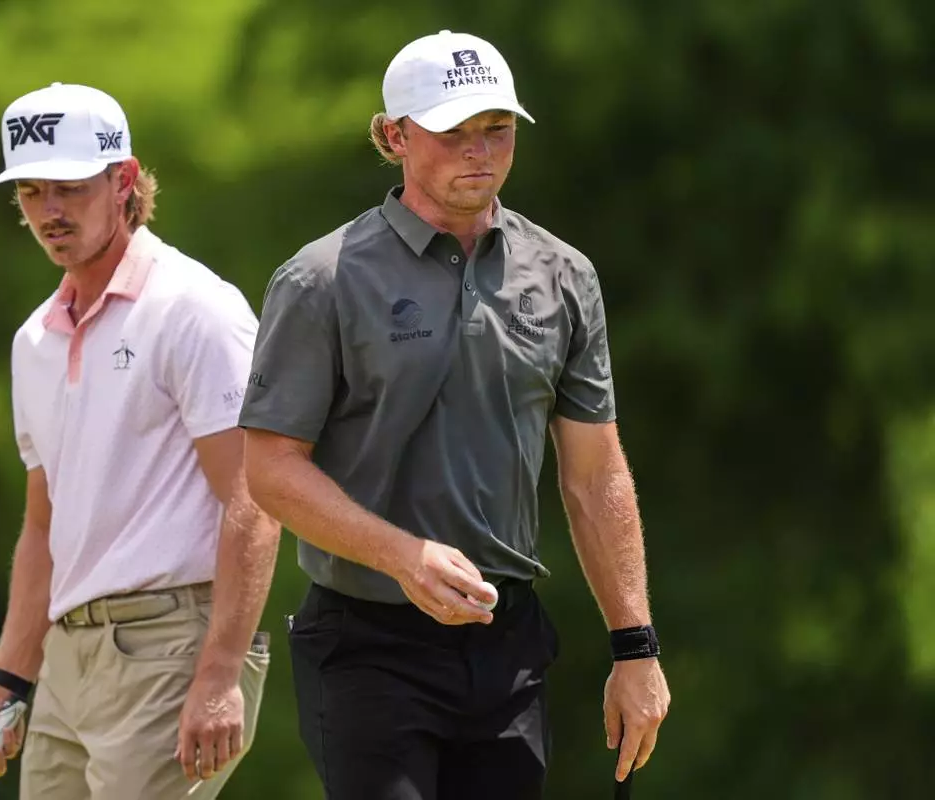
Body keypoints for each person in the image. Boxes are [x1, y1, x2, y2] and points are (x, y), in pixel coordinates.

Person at [238, 30, 670, 799]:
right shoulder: (320, 279)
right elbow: (270, 470)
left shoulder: (564, 275)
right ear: (393, 136)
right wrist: (404, 557)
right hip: (366, 639)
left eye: (497, 129)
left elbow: (594, 474)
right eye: (452, 131)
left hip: (507, 641)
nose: (480, 151)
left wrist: (635, 647)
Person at [0, 82, 280, 800]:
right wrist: (3, 687)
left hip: (173, 645)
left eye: (69, 188)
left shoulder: (193, 308)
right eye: (31, 192)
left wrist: (221, 671)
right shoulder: (34, 341)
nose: (49, 212)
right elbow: (44, 529)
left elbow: (253, 497)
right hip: (67, 660)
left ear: (124, 181)